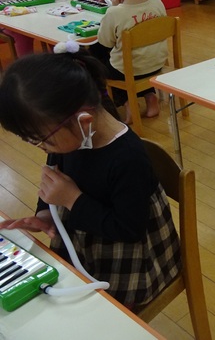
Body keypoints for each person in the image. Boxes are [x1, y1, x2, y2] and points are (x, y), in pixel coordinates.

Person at [0, 51, 181, 310]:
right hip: (82, 246)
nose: (42, 148)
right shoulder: (71, 136)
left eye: (42, 140)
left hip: (125, 263)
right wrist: (46, 214)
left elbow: (129, 230)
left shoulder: (128, 158)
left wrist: (73, 199)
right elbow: (54, 175)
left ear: (83, 120)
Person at [89, 0, 167, 124]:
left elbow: (105, 42)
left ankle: (127, 103)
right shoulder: (156, 2)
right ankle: (150, 96)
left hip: (129, 70)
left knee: (99, 58)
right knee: (132, 55)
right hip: (156, 63)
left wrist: (113, 7)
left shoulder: (115, 12)